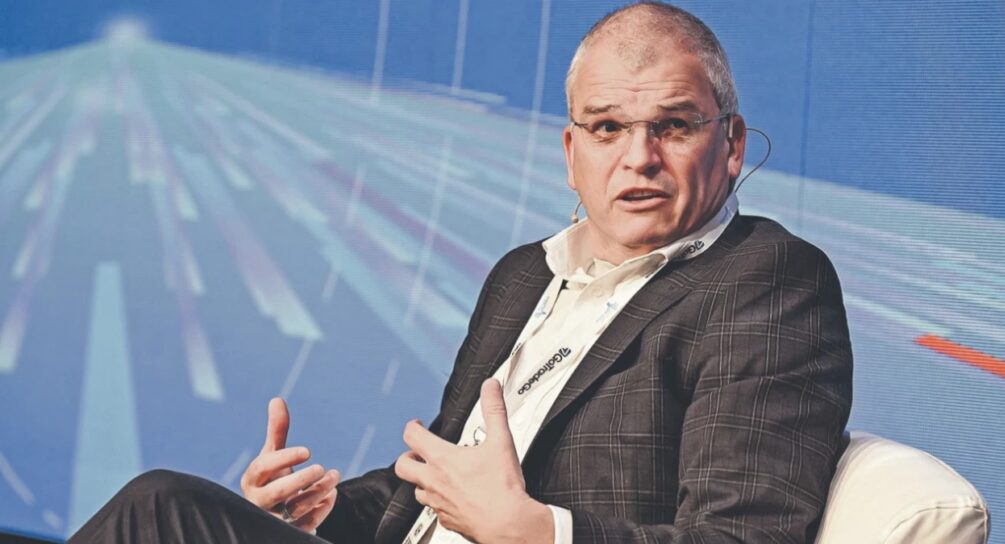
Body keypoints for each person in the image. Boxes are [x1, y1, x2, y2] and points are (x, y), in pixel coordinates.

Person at [70, 3, 852, 543]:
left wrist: (539, 534)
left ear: (732, 145)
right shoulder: (524, 276)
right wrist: (318, 512)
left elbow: (742, 537)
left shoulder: (768, 281)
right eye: (608, 127)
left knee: (158, 513)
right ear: (571, 153)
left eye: (673, 126)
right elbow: (430, 490)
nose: (639, 157)